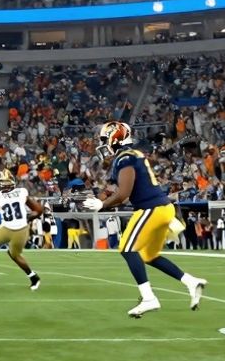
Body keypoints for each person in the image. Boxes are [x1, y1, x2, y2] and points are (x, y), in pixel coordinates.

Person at [84, 121, 206, 318]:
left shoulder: (125, 158)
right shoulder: (133, 155)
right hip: (162, 208)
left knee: (126, 247)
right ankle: (191, 282)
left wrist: (102, 205)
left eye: (106, 139)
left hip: (151, 208)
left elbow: (124, 193)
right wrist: (103, 199)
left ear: (116, 138)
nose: (104, 144)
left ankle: (149, 298)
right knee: (148, 255)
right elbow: (120, 189)